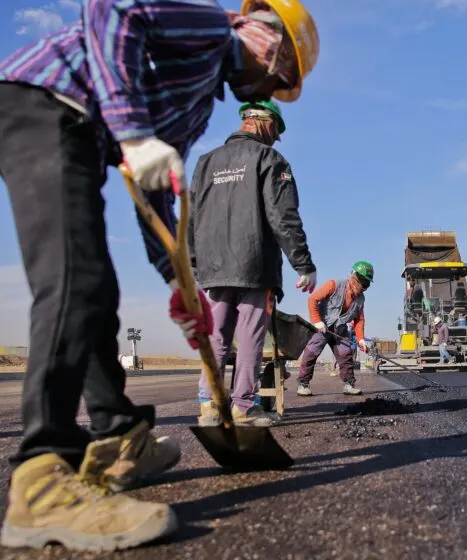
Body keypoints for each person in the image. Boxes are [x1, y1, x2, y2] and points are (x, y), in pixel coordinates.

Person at [0, 0, 319, 552]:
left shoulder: (197, 104)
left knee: (96, 291)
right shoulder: (209, 27)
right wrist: (130, 130)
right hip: (42, 103)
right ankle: (42, 479)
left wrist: (179, 281)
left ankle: (119, 436)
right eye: (282, 69)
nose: (272, 81)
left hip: (81, 132)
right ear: (265, 36)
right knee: (75, 283)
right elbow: (109, 11)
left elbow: (152, 186)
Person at [189, 99, 316, 428]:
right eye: (276, 131)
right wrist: (303, 263)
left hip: (212, 268)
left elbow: (191, 217)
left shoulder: (205, 163)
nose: (275, 138)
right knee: (250, 337)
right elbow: (283, 216)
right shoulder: (269, 159)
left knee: (215, 335)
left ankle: (209, 405)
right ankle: (243, 407)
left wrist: (192, 262)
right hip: (254, 264)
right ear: (266, 122)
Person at [298, 262, 374, 396]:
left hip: (339, 328)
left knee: (346, 354)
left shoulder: (361, 299)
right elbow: (312, 299)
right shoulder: (334, 284)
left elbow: (359, 320)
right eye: (361, 283)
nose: (363, 287)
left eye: (366, 284)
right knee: (311, 353)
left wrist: (361, 339)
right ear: (353, 277)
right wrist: (317, 321)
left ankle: (349, 385)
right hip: (322, 326)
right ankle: (303, 384)